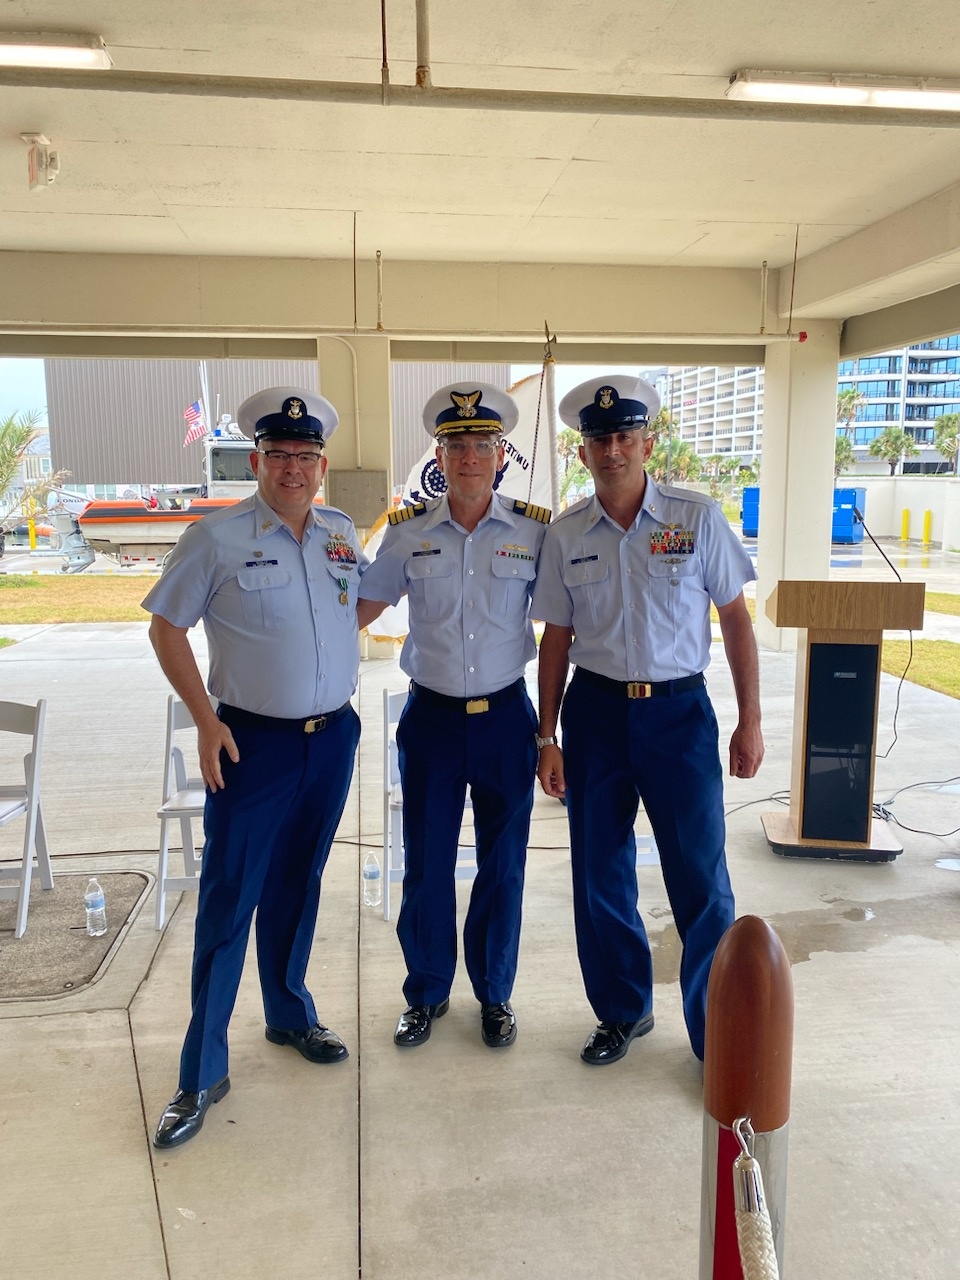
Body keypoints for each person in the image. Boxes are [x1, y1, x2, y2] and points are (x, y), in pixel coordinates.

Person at [143, 386, 366, 1148]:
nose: (293, 468)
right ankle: (200, 1071)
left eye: (306, 457)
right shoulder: (217, 537)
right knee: (230, 899)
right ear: (257, 460)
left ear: (321, 464)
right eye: (279, 456)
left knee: (298, 886)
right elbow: (166, 627)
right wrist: (205, 718)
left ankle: (289, 1015)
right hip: (252, 745)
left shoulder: (339, 534)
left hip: (331, 738)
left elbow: (348, 608)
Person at [530, 375, 763, 1066]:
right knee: (600, 873)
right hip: (596, 715)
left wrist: (749, 720)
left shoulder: (696, 519)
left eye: (624, 436)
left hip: (678, 715)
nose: (612, 450)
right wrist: (548, 736)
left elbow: (737, 620)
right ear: (583, 452)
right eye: (599, 439)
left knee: (699, 877)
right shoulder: (567, 533)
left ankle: (714, 1032)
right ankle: (623, 1012)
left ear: (647, 443)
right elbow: (556, 639)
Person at [357, 382, 549, 1051]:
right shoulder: (408, 534)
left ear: (503, 456)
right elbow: (361, 609)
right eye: (457, 444)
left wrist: (552, 731)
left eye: (484, 445)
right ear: (439, 453)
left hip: (505, 720)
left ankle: (494, 994)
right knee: (427, 864)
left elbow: (565, 625)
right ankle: (427, 992)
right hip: (432, 721)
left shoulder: (533, 528)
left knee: (504, 865)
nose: (470, 456)